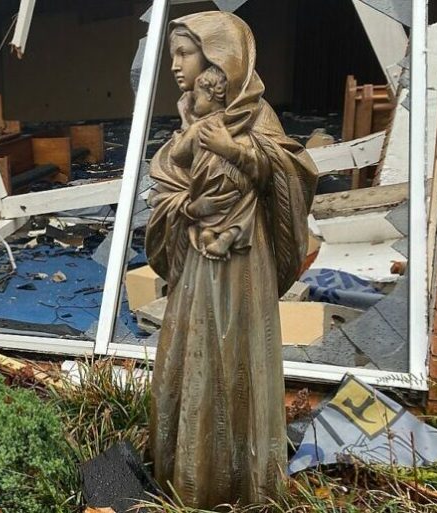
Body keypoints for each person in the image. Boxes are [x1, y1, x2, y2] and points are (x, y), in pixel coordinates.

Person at [146, 12, 318, 508]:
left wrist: (238, 154)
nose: (175, 66)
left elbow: (290, 174)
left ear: (219, 58)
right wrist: (186, 208)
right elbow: (168, 179)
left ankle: (243, 483)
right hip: (197, 267)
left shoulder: (258, 118)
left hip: (244, 267)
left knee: (240, 357)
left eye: (185, 53)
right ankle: (190, 474)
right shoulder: (189, 118)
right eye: (173, 55)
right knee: (192, 359)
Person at [169, 66, 256, 260]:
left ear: (209, 94)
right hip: (231, 185)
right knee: (249, 199)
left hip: (208, 187)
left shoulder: (198, 127)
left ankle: (208, 232)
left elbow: (177, 157)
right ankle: (228, 234)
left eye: (197, 98)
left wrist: (182, 128)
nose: (193, 105)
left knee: (226, 203)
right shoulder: (235, 123)